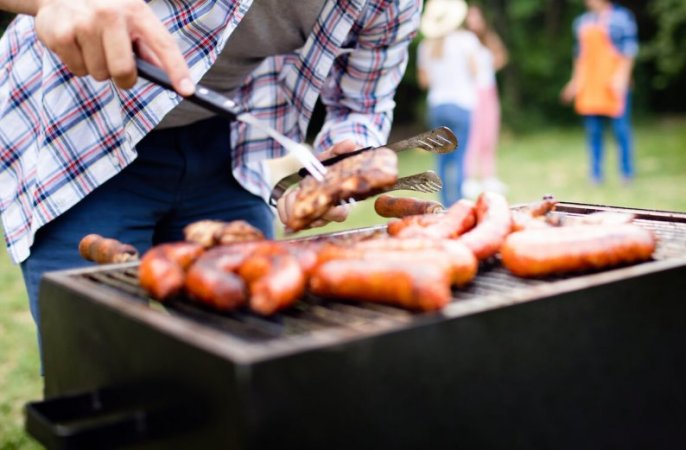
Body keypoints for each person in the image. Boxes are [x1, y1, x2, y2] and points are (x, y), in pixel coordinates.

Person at [0, 0, 421, 355]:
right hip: (83, 140)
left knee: (253, 348)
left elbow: (361, 104)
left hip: (229, 147)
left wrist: (341, 163)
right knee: (101, 368)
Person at [561, 0, 638, 185]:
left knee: (621, 131)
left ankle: (626, 173)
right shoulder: (582, 22)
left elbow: (629, 51)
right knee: (593, 132)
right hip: (591, 85)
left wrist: (621, 78)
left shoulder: (622, 18)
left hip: (613, 84)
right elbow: (580, 56)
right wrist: (575, 82)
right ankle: (596, 175)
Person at [416, 0, 480, 207]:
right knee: (459, 157)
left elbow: (424, 81)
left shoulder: (425, 46)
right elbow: (475, 72)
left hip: (437, 106)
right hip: (461, 105)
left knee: (442, 158)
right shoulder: (467, 40)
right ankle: (459, 203)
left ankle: (443, 204)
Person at [462, 5, 508, 198]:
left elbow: (501, 57)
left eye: (477, 17)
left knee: (489, 133)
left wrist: (488, 68)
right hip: (471, 93)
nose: (474, 21)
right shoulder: (464, 40)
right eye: (471, 17)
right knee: (473, 136)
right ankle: (470, 178)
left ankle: (489, 176)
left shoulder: (488, 38)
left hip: (489, 90)